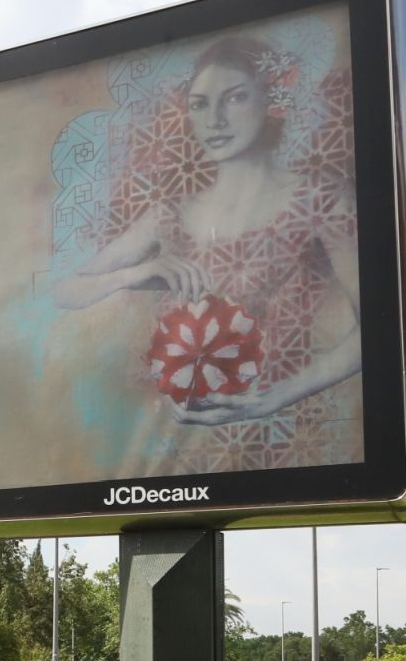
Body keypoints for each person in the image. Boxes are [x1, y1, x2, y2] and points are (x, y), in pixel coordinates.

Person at [55, 32, 361, 471]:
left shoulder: (321, 200)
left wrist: (273, 398)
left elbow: (377, 328)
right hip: (164, 454)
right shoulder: (169, 216)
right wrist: (134, 274)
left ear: (270, 99)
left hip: (276, 445)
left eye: (234, 98)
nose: (214, 119)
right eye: (199, 104)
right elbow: (62, 292)